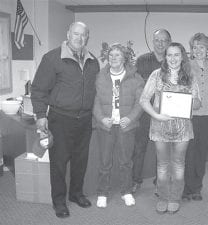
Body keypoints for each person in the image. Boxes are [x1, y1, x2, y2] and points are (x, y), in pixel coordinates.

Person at [31, 22, 100, 218]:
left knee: (80, 160)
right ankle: (59, 201)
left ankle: (76, 194)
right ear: (68, 34)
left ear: (88, 37)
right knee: (59, 163)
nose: (79, 38)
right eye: (76, 34)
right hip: (60, 119)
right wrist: (41, 115)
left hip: (84, 120)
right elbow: (38, 89)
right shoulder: (52, 58)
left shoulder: (93, 60)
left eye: (83, 35)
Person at [140, 42, 201, 214]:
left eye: (176, 55)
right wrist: (156, 115)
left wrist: (188, 98)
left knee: (179, 165)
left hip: (183, 128)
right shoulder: (157, 75)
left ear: (182, 57)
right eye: (169, 55)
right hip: (160, 127)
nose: (173, 58)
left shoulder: (190, 75)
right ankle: (163, 197)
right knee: (162, 166)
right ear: (165, 57)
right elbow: (144, 100)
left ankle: (175, 197)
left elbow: (198, 104)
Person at [93, 43, 144, 208]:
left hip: (126, 127)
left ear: (124, 58)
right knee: (105, 162)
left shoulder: (136, 78)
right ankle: (102, 192)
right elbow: (95, 102)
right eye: (111, 55)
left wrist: (130, 118)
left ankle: (126, 191)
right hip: (106, 126)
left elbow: (140, 102)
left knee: (125, 162)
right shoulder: (100, 76)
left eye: (118, 55)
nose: (113, 58)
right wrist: (101, 119)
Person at [132, 29, 172, 193]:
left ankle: (160, 182)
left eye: (164, 40)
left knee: (162, 150)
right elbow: (136, 86)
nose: (160, 43)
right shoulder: (142, 60)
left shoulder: (173, 60)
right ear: (153, 41)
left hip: (165, 114)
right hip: (145, 113)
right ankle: (135, 181)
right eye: (157, 40)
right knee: (139, 148)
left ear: (169, 42)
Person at [182, 33, 208, 201]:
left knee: (201, 153)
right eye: (194, 47)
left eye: (201, 47)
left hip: (207, 117)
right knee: (189, 153)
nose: (198, 50)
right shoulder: (186, 67)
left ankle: (196, 188)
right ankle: (187, 188)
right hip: (190, 116)